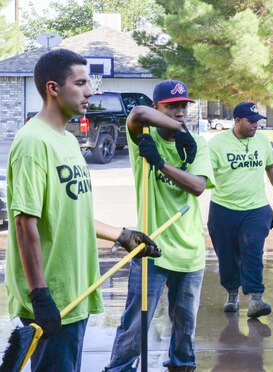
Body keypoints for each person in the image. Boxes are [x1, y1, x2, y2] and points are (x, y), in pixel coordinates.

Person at [4, 48, 160, 371]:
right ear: (53, 88)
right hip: (52, 298)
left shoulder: (68, 142)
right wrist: (40, 296)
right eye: (81, 83)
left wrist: (122, 235)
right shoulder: (32, 142)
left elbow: (69, 215)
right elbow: (24, 225)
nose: (90, 91)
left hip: (76, 290)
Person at [105, 80, 215, 372]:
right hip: (150, 249)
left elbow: (198, 187)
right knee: (135, 323)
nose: (180, 112)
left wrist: (161, 163)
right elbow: (137, 112)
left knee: (184, 324)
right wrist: (157, 147)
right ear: (158, 108)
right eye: (171, 106)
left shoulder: (197, 144)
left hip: (189, 250)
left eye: (183, 106)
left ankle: (182, 366)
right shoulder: (143, 136)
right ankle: (120, 368)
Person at [207, 101, 273, 318]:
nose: (255, 126)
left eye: (257, 122)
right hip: (224, 208)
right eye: (251, 121)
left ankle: (256, 299)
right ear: (237, 120)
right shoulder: (217, 144)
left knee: (253, 253)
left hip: (256, 208)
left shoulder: (261, 140)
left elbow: (271, 167)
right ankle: (232, 295)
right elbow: (204, 174)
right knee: (227, 255)